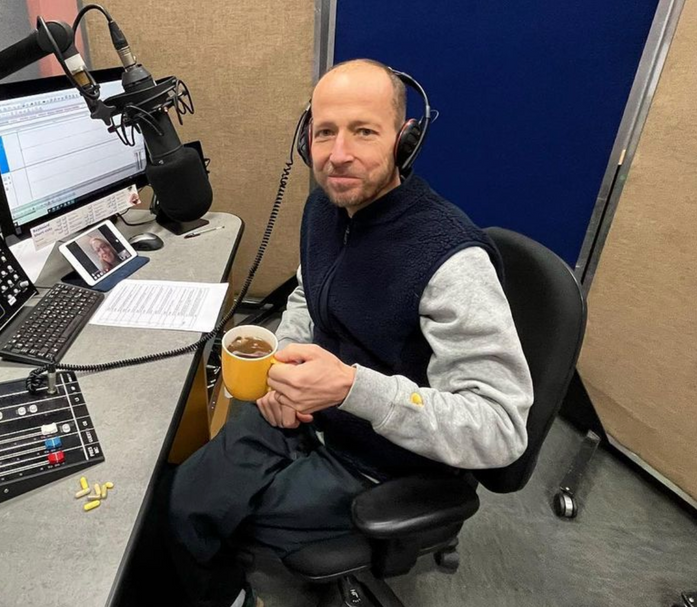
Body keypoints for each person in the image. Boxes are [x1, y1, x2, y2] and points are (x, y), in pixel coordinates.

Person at [166, 59, 534, 607]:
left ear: (404, 142)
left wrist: (349, 389)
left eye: (363, 131)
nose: (338, 154)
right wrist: (284, 364)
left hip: (381, 464)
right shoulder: (326, 205)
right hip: (304, 417)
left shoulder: (450, 261)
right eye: (324, 132)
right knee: (188, 498)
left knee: (234, 530)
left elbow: (501, 430)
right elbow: (307, 292)